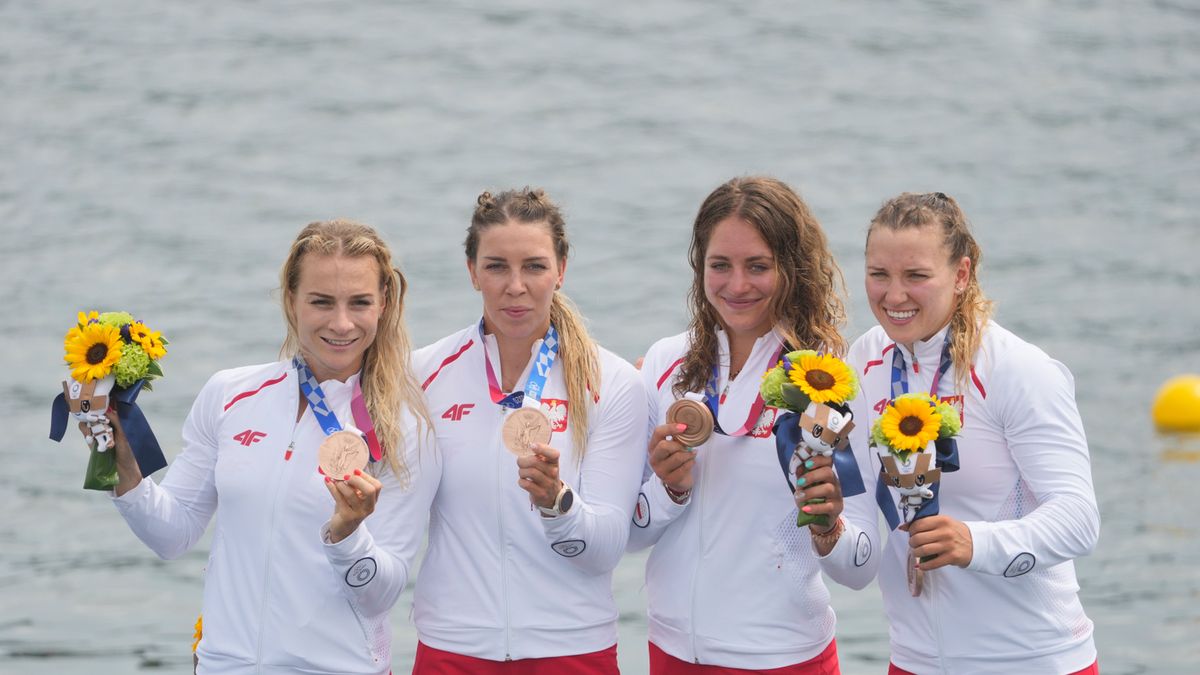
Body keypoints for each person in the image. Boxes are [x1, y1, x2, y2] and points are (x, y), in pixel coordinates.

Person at [104, 220, 437, 674]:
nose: (341, 323)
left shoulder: (406, 427)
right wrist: (118, 465)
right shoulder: (230, 394)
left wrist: (347, 535)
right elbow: (171, 534)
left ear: (384, 305)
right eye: (321, 302)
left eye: (359, 303)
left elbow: (381, 595)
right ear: (290, 300)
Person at [629, 176, 878, 673]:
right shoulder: (665, 365)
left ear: (793, 270)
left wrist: (829, 527)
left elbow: (861, 566)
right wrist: (668, 491)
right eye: (720, 265)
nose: (737, 285)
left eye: (758, 267)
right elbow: (630, 536)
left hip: (784, 658)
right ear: (700, 267)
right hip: (671, 651)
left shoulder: (830, 383)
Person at [846, 192, 1099, 673]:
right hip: (914, 660)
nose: (893, 295)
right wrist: (825, 525)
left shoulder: (1017, 370)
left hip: (1031, 659)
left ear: (961, 275)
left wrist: (974, 543)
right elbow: (859, 521)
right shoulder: (863, 361)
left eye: (916, 276)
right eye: (879, 275)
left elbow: (1080, 519)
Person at [411, 188, 646, 674]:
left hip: (573, 649)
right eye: (496, 266)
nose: (515, 286)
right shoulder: (421, 376)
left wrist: (557, 503)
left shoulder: (614, 382)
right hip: (453, 649)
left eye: (535, 267)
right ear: (472, 271)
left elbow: (604, 550)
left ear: (562, 269)